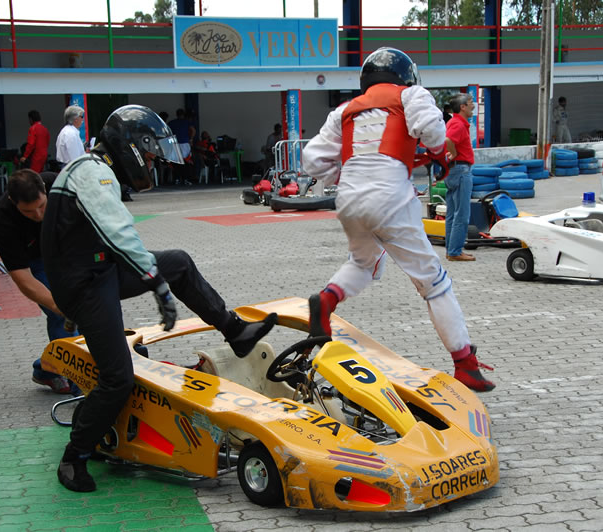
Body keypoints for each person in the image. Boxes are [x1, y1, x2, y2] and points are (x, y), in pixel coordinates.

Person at [41, 104, 278, 492]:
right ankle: (75, 457)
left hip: (97, 270)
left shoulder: (95, 170)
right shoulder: (93, 174)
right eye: (148, 153)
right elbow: (120, 234)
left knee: (180, 263)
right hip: (85, 284)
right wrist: (156, 284)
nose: (151, 161)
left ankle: (236, 332)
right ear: (128, 146)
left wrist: (158, 276)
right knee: (118, 378)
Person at [301, 47, 495, 394]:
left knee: (364, 262)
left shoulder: (344, 110)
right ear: (406, 75)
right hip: (390, 195)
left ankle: (326, 301)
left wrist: (342, 173)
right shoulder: (411, 95)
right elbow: (433, 133)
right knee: (432, 281)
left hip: (349, 199)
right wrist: (436, 151)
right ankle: (465, 364)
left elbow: (312, 160)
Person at [0, 169, 79, 394]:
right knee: (61, 313)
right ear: (13, 202)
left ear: (45, 190)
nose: (38, 215)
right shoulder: (3, 221)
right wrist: (59, 305)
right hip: (34, 261)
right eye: (28, 212)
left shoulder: (59, 182)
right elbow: (24, 280)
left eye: (42, 206)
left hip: (63, 249)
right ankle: (79, 382)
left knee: (88, 303)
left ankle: (47, 370)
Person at [444, 93, 476, 262]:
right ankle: (455, 251)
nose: (474, 105)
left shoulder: (454, 122)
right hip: (461, 170)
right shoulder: (458, 124)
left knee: (452, 214)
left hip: (454, 171)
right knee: (461, 213)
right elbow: (448, 140)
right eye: (471, 102)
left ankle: (451, 249)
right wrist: (455, 153)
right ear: (462, 107)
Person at [168, 108, 195, 186]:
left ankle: (177, 179)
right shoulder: (187, 122)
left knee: (176, 161)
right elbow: (193, 130)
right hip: (184, 143)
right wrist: (191, 139)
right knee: (187, 161)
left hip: (175, 144)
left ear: (177, 114)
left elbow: (168, 132)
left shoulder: (172, 122)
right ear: (183, 114)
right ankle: (186, 179)